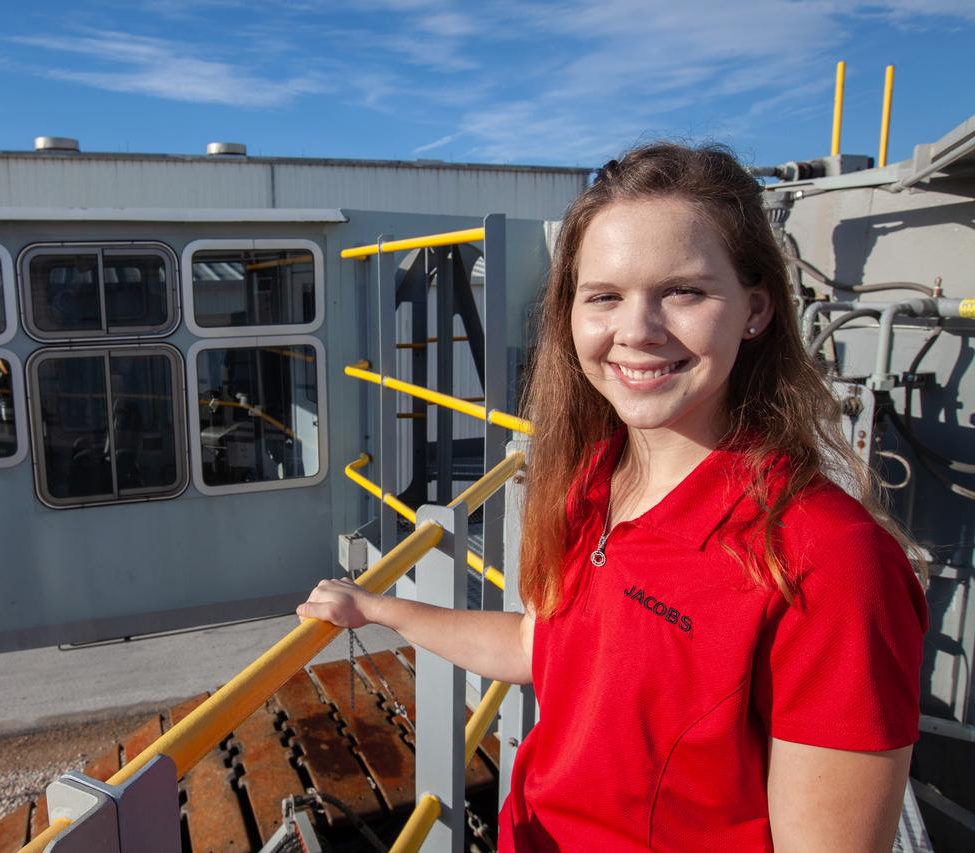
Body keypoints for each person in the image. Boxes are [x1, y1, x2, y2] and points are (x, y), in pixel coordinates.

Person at [297, 143, 927, 851]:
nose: (636, 330)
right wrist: (380, 608)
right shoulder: (592, 477)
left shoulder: (829, 560)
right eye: (604, 296)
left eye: (683, 291)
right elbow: (547, 647)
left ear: (755, 309)